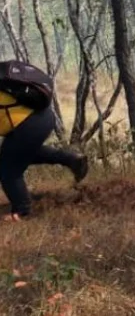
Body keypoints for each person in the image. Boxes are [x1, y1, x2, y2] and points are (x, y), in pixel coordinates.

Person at [0, 74, 88, 220]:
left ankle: (22, 211)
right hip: (43, 116)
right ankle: (72, 159)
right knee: (18, 154)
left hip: (29, 124)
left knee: (8, 169)